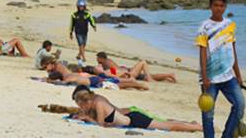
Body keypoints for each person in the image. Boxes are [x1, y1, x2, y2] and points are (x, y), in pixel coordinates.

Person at [196, 0, 245, 138]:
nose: (219, 8)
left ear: (225, 7)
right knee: (208, 112)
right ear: (210, 6)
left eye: (222, 6)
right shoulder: (204, 27)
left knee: (239, 104)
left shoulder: (230, 25)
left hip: (228, 75)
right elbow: (202, 52)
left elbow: (233, 49)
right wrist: (204, 76)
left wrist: (238, 74)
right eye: (215, 5)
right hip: (210, 77)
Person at [71, 85, 202, 131]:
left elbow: (101, 125)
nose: (81, 107)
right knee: (165, 123)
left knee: (168, 126)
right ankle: (192, 125)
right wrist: (83, 116)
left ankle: (198, 127)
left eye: (80, 105)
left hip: (135, 119)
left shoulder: (98, 103)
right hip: (131, 118)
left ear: (85, 101)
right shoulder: (95, 102)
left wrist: (88, 118)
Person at [95, 52, 176, 82]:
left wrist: (124, 73)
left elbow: (115, 71)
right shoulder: (107, 62)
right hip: (127, 73)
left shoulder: (107, 63)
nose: (97, 60)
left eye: (97, 58)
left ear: (101, 58)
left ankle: (150, 79)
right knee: (149, 75)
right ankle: (168, 75)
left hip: (128, 74)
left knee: (143, 62)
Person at [45, 71, 149, 90]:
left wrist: (50, 81)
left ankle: (139, 85)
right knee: (118, 83)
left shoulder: (68, 79)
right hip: (93, 79)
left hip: (95, 82)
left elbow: (61, 83)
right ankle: (135, 84)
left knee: (119, 85)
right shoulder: (70, 75)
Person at [69, 0, 96, 65]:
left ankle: (78, 55)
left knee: (84, 45)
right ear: (77, 7)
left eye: (82, 6)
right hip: (78, 32)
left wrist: (94, 26)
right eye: (80, 6)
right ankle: (83, 57)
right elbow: (71, 24)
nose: (81, 7)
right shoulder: (74, 15)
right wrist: (71, 33)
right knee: (81, 44)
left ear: (84, 7)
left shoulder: (87, 14)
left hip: (85, 32)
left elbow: (91, 20)